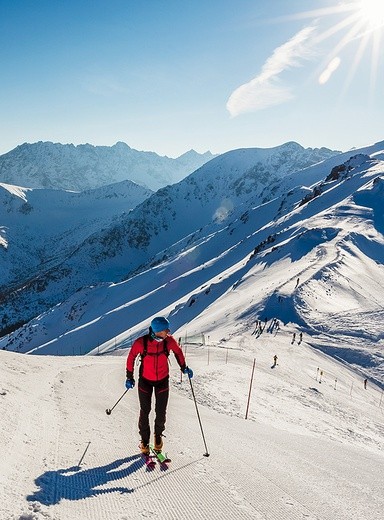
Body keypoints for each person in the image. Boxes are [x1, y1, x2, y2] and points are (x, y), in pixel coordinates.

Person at [125, 316, 193, 455]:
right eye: (165, 329)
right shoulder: (142, 342)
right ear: (157, 331)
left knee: (161, 411)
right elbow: (131, 357)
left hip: (162, 380)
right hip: (145, 380)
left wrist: (184, 367)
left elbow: (178, 352)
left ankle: (157, 438)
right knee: (145, 411)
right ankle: (144, 442)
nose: (168, 331)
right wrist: (129, 377)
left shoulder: (169, 341)